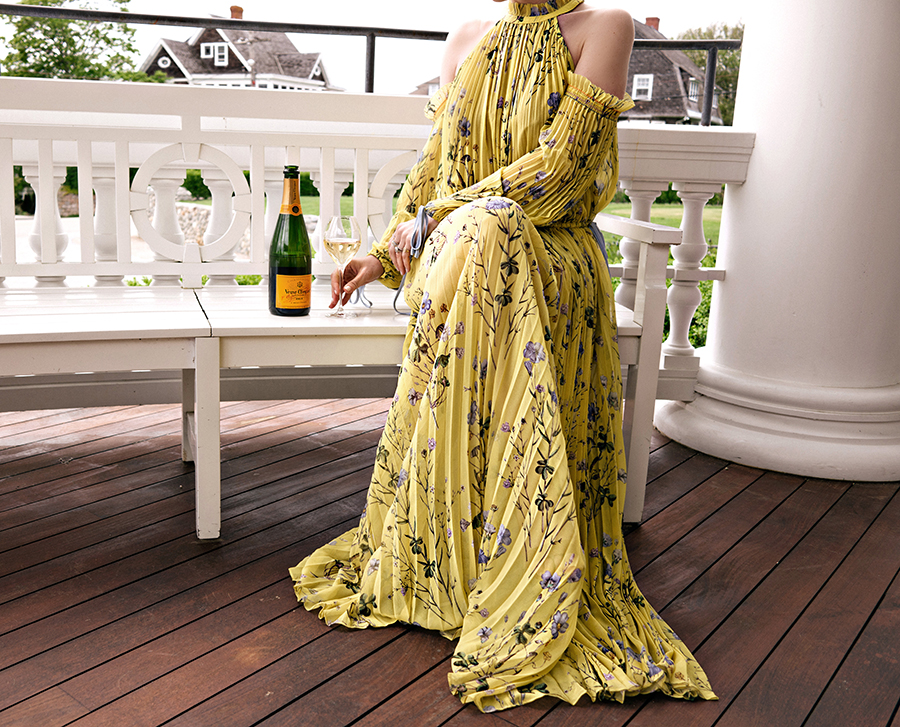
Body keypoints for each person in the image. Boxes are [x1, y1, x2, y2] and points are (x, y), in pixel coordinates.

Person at [290, 0, 716, 713]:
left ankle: (507, 558)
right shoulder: (465, 38)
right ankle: (459, 561)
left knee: (493, 223)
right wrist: (382, 254)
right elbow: (433, 175)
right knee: (483, 228)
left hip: (550, 255)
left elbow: (562, 172)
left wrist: (448, 217)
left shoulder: (605, 25)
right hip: (461, 256)